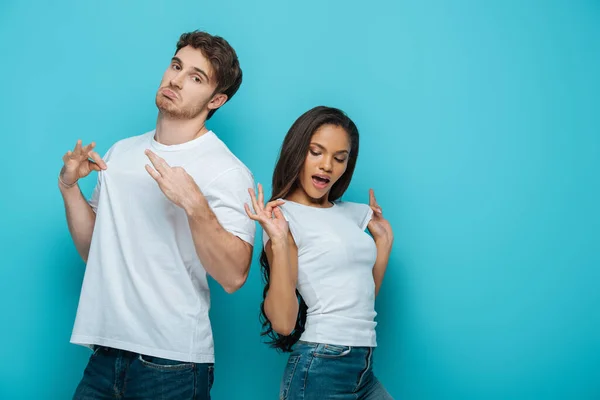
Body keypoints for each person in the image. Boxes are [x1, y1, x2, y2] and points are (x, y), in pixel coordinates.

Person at [59, 30, 254, 399]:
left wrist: (195, 205)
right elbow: (93, 251)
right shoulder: (120, 153)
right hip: (105, 353)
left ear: (217, 99)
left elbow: (233, 277)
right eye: (176, 66)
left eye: (196, 77)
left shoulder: (226, 171)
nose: (176, 80)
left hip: (173, 363)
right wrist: (70, 188)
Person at [245, 106, 394, 399]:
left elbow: (360, 299)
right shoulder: (284, 218)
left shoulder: (352, 214)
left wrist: (384, 244)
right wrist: (278, 241)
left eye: (340, 158)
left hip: (363, 366)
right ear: (298, 151)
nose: (327, 165)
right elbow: (284, 323)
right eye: (316, 152)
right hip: (322, 366)